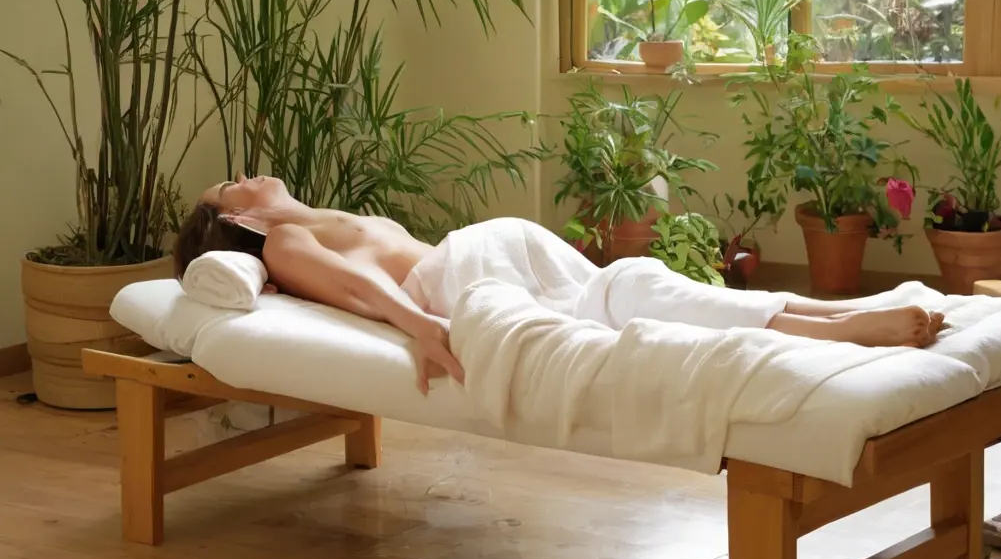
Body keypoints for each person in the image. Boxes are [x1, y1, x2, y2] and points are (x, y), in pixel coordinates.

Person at [173, 174, 945, 394]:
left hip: (491, 257)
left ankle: (844, 316)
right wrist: (426, 331)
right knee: (633, 295)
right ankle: (839, 330)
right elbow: (356, 289)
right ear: (237, 220)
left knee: (632, 287)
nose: (249, 175)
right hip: (468, 277)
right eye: (232, 184)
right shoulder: (285, 241)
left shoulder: (308, 218)